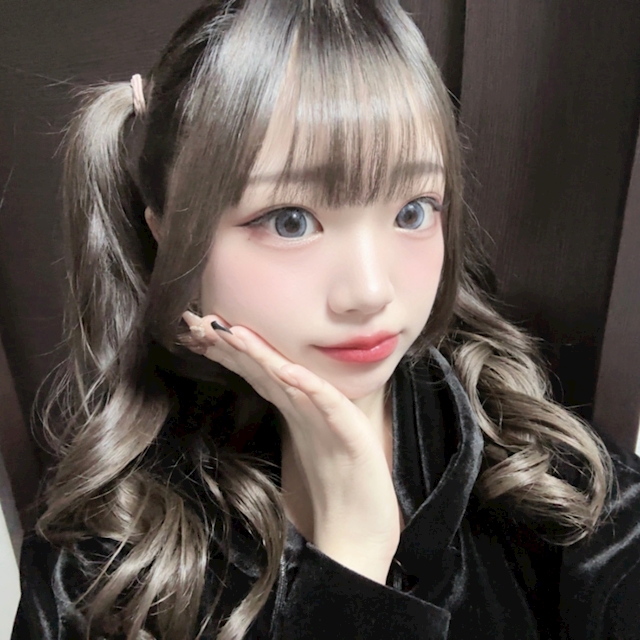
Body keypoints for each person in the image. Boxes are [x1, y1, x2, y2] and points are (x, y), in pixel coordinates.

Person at [11, 0, 640, 638]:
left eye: (413, 211)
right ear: (168, 235)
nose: (370, 291)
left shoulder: (548, 476)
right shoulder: (96, 568)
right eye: (290, 221)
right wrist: (351, 559)